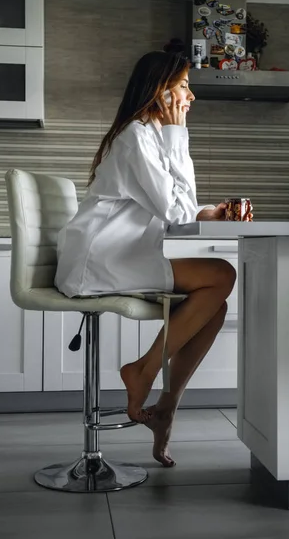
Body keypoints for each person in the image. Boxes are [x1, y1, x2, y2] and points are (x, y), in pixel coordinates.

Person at [55, 46, 237, 467]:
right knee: (221, 275)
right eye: (184, 87)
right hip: (100, 259)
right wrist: (179, 136)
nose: (191, 97)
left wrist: (204, 212)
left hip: (118, 254)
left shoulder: (149, 136)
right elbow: (174, 212)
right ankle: (142, 372)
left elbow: (180, 205)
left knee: (215, 304)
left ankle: (167, 406)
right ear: (160, 91)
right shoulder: (138, 136)